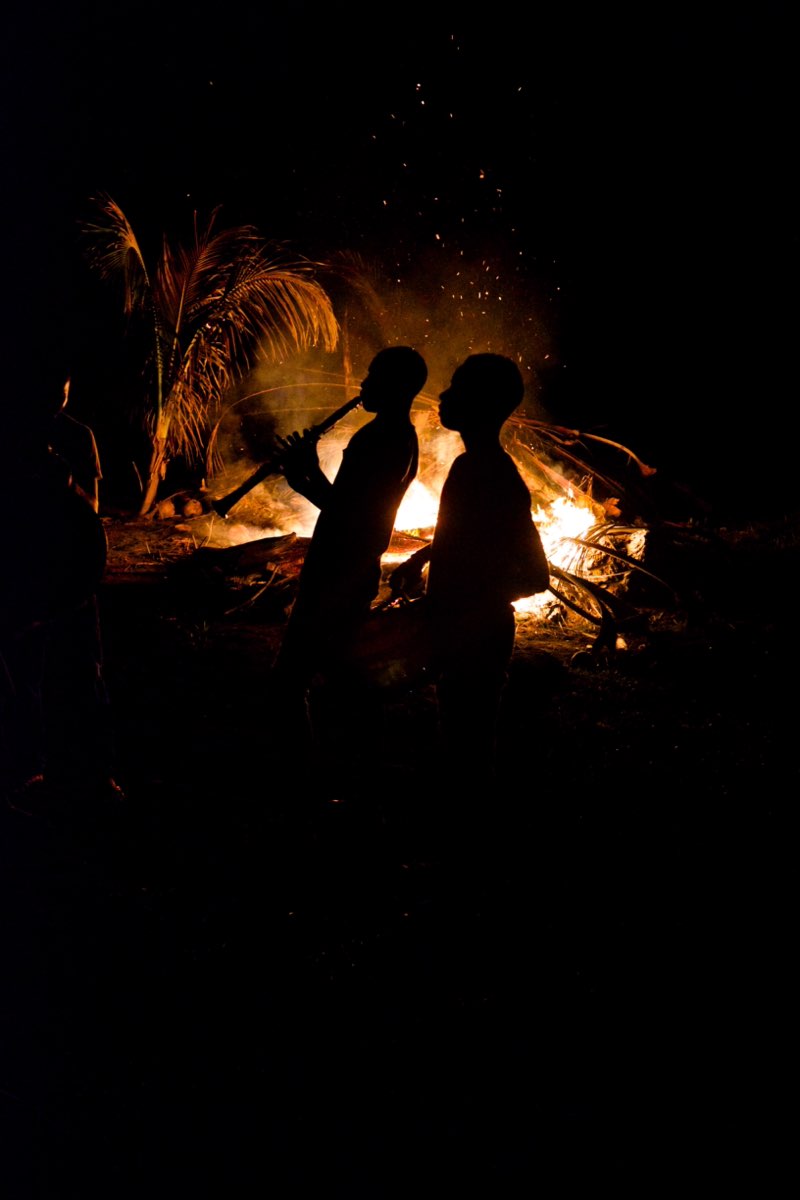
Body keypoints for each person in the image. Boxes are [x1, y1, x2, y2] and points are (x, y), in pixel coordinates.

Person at [389, 353, 550, 790]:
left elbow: (537, 573)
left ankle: (471, 841)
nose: (443, 395)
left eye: (457, 389)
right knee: (458, 739)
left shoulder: (494, 473)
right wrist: (420, 560)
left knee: (470, 752)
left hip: (477, 638)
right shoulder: (471, 466)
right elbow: (468, 532)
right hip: (461, 631)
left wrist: (466, 606)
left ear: (483, 404)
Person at [270, 346, 428, 778]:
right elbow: (346, 509)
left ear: (398, 386)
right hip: (345, 568)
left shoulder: (385, 439)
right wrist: (302, 479)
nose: (362, 385)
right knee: (344, 684)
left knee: (297, 683)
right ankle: (347, 776)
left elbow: (352, 516)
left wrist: (308, 473)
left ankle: (310, 779)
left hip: (343, 571)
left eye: (373, 376)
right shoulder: (388, 435)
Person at [1, 361, 123, 817]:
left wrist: (64, 488)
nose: (55, 403)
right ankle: (29, 771)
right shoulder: (13, 437)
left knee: (84, 671)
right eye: (46, 394)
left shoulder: (74, 437)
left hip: (70, 574)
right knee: (25, 677)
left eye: (62, 394)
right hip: (27, 578)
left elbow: (89, 511)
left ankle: (97, 771)